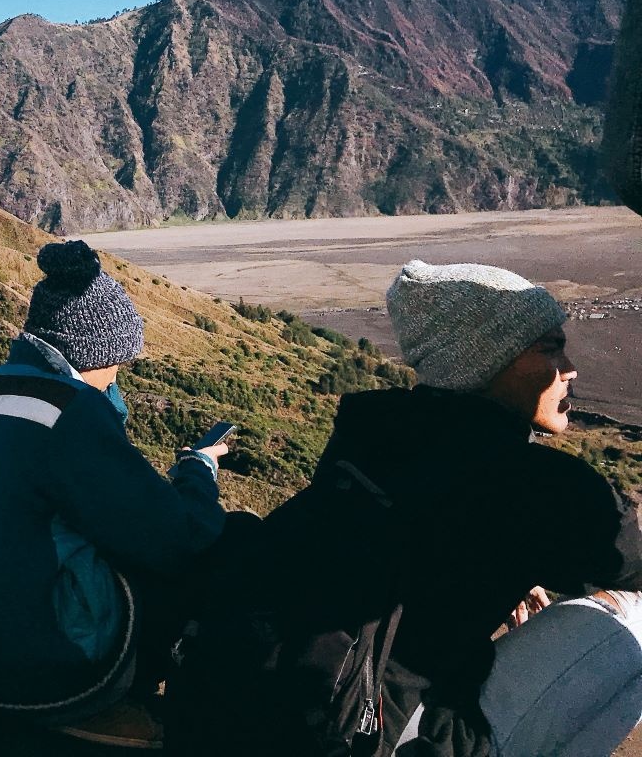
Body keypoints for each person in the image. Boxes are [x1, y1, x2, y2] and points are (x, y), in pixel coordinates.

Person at [171, 260, 642, 757]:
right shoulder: (533, 481)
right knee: (633, 615)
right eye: (549, 348)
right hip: (389, 736)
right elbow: (632, 559)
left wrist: (513, 573)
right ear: (484, 359)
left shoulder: (368, 439)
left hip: (279, 716)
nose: (569, 369)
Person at [0, 239, 231, 749]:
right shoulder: (68, 412)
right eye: (119, 363)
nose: (118, 377)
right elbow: (173, 535)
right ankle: (107, 703)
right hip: (39, 671)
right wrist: (196, 470)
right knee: (216, 547)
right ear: (95, 354)